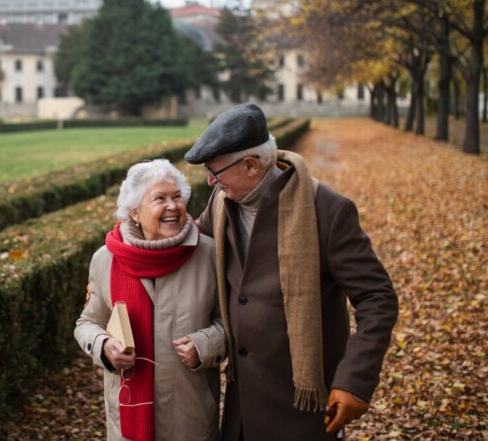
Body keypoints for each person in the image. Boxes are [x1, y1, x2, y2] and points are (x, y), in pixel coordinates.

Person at [184, 103, 399, 440]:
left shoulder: (327, 210)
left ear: (251, 165)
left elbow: (378, 298)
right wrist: (125, 248)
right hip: (242, 406)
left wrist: (355, 380)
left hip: (302, 409)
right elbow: (191, 246)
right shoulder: (220, 203)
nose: (210, 181)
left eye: (215, 171)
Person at [75, 159, 225, 441]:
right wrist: (104, 346)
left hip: (189, 416)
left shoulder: (209, 254)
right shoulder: (106, 259)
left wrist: (205, 345)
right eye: (160, 199)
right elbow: (87, 323)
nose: (173, 206)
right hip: (127, 418)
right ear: (134, 212)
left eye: (177, 197)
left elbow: (232, 322)